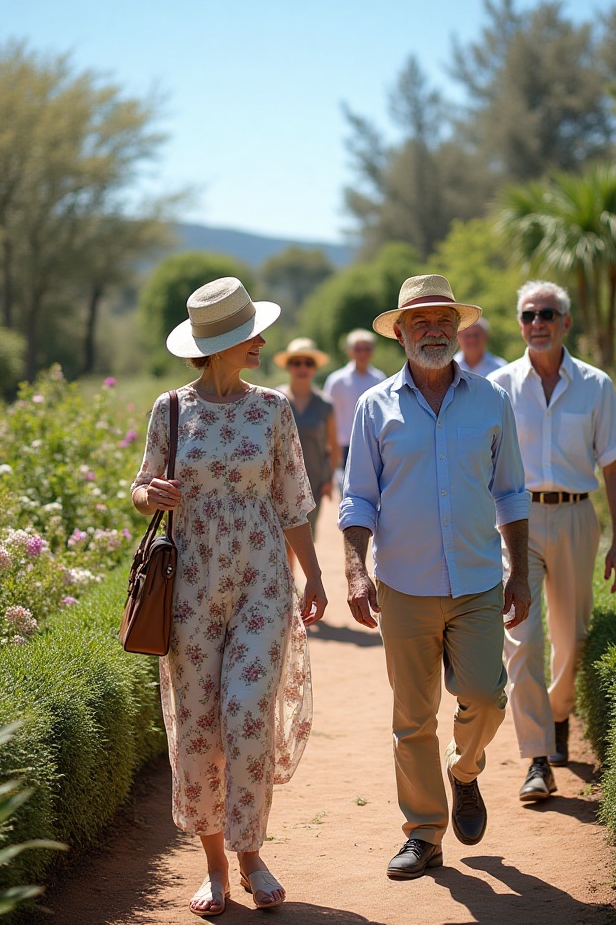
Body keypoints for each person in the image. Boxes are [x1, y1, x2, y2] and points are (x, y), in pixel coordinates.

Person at [133, 277, 328, 916]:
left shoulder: (273, 409)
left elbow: (295, 500)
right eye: (249, 335)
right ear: (219, 346)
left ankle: (251, 854)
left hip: (263, 580)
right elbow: (140, 487)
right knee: (200, 727)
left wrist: (316, 576)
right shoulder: (171, 409)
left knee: (246, 716)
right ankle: (215, 865)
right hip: (190, 585)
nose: (262, 343)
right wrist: (150, 495)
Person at [338, 273, 531, 880]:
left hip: (477, 579)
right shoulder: (375, 407)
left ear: (459, 328)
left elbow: (512, 492)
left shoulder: (491, 399)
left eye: (443, 320)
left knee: (484, 696)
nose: (433, 330)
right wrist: (354, 571)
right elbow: (358, 500)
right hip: (404, 584)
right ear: (399, 332)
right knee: (412, 717)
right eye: (419, 321)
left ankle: (464, 771)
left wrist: (519, 573)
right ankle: (423, 833)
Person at [487, 280, 616, 802]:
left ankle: (560, 715)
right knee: (522, 640)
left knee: (573, 639)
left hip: (575, 519)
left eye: (547, 313)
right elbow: (484, 462)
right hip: (517, 523)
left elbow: (613, 465)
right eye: (528, 315)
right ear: (520, 324)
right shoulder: (499, 386)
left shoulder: (596, 385)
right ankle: (538, 758)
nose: (538, 323)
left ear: (566, 322)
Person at [274, 338, 340, 538]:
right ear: (288, 367)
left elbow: (334, 446)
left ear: (314, 368)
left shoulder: (325, 404)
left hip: (314, 482)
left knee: (305, 538)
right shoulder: (275, 399)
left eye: (308, 363)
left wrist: (328, 479)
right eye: (297, 362)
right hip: (278, 480)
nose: (302, 368)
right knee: (282, 538)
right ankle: (289, 572)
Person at [324, 328, 386, 472]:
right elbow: (328, 415)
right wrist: (332, 448)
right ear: (350, 352)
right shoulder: (337, 381)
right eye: (358, 349)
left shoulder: (380, 379)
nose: (363, 353)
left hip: (373, 445)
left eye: (367, 349)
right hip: (343, 445)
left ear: (372, 351)